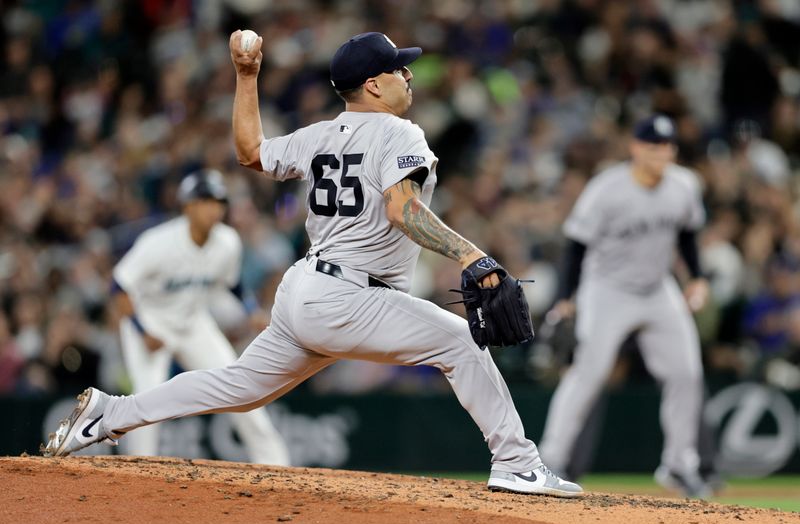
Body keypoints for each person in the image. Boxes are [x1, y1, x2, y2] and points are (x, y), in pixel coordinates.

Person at [42, 30, 582, 498]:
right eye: (399, 68)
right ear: (373, 84)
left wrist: (246, 75)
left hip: (306, 289)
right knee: (461, 342)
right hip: (350, 295)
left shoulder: (318, 136)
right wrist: (472, 254)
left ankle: (109, 414)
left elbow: (250, 150)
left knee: (238, 387)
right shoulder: (399, 132)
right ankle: (518, 464)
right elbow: (402, 209)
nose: (409, 75)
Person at [538, 115, 711, 498]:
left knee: (687, 373)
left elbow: (687, 235)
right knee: (589, 373)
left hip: (657, 289)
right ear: (635, 147)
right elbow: (576, 247)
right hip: (607, 290)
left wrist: (697, 278)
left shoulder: (683, 185)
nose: (660, 153)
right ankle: (551, 458)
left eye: (666, 146)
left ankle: (681, 465)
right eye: (652, 146)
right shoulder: (607, 189)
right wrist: (566, 297)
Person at [110, 169, 289, 465]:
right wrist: (142, 331)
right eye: (205, 200)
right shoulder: (158, 242)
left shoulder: (228, 242)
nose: (213, 207)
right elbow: (119, 285)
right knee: (146, 401)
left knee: (242, 389)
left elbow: (232, 283)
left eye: (219, 201)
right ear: (188, 206)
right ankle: (137, 475)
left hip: (193, 323)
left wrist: (250, 310)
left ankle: (278, 467)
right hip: (150, 323)